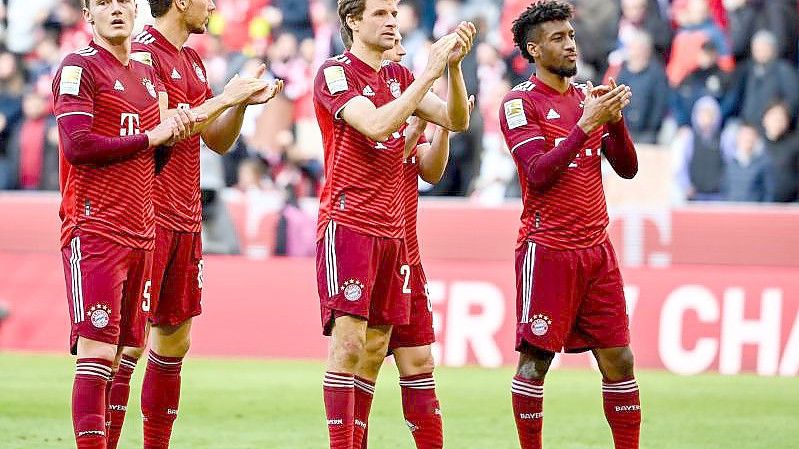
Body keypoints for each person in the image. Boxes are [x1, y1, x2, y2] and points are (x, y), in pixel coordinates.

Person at [104, 0, 283, 446]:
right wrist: (227, 96)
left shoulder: (193, 60)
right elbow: (168, 126)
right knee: (128, 346)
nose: (214, 7)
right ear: (181, 3)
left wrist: (240, 105)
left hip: (187, 217)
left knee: (173, 340)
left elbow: (216, 140)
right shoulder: (143, 53)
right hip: (149, 216)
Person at [313, 1, 474, 448]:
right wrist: (429, 72)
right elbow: (377, 125)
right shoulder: (335, 72)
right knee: (348, 347)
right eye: (381, 12)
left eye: (394, 12)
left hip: (395, 235)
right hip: (349, 224)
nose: (392, 21)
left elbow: (457, 120)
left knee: (380, 351)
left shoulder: (400, 79)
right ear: (353, 20)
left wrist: (453, 69)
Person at [51, 0, 203, 445]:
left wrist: (159, 140)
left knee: (121, 355)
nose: (114, 10)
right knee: (97, 355)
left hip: (142, 233)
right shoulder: (78, 68)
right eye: (102, 3)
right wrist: (151, 136)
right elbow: (77, 146)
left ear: (134, 12)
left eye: (121, 2)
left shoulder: (145, 76)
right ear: (88, 16)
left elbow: (156, 157)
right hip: (95, 228)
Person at [499, 2, 641, 449]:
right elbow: (538, 172)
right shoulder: (518, 103)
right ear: (533, 49)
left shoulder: (586, 98)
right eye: (558, 38)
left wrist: (614, 124)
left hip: (597, 250)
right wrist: (585, 127)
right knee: (534, 364)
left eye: (571, 35)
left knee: (620, 360)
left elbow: (628, 168)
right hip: (549, 249)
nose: (570, 44)